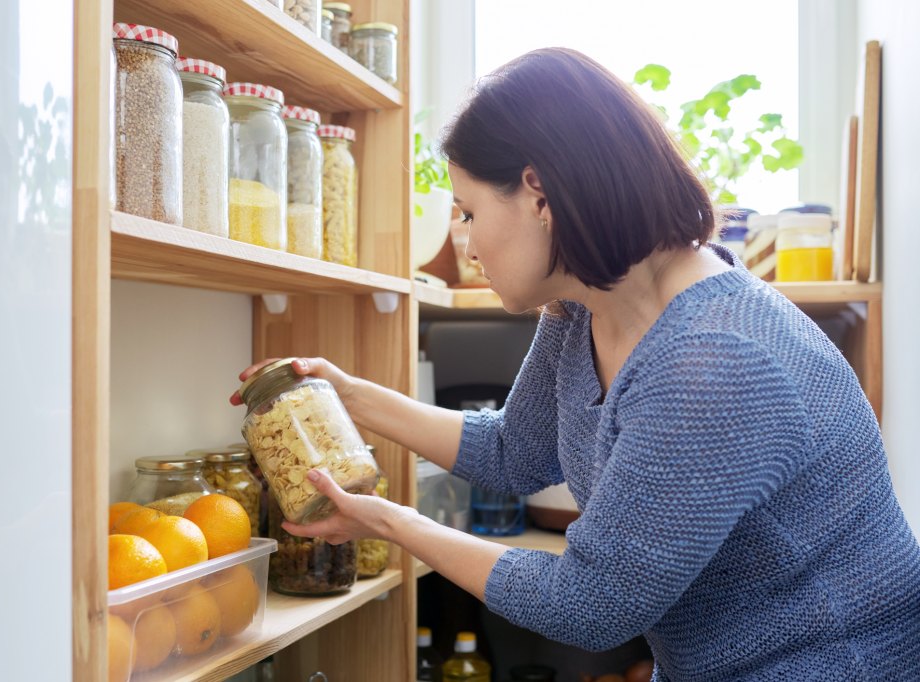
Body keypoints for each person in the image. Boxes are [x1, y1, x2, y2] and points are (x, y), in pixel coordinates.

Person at [231, 48, 920, 680]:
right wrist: (351, 398)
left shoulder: (714, 361)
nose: (463, 243)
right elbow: (514, 451)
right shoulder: (584, 304)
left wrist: (390, 521)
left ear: (538, 193)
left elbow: (590, 605)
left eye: (468, 211)